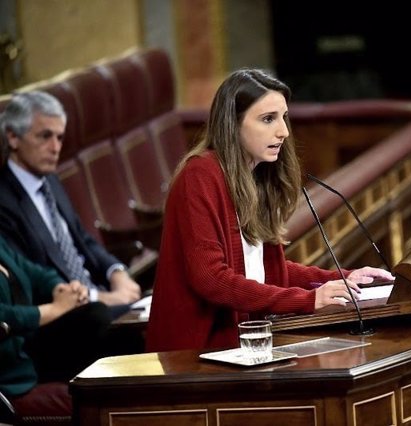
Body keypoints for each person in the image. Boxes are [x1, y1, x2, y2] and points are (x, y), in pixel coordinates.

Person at [146, 69, 394, 352]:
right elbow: (211, 278)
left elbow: (264, 270)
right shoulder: (200, 175)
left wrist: (341, 279)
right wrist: (307, 300)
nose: (283, 132)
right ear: (233, 124)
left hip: (246, 344)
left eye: (283, 117)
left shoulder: (256, 177)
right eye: (268, 119)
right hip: (196, 354)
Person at [0, 91, 141, 311]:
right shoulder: (4, 201)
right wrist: (101, 298)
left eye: (59, 137)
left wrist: (116, 272)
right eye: (45, 136)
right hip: (67, 317)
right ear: (13, 137)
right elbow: (30, 280)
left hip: (100, 296)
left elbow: (82, 239)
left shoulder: (50, 181)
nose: (55, 148)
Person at [0, 234, 112, 419]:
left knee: (100, 321)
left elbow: (36, 273)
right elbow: (5, 316)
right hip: (11, 374)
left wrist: (64, 290)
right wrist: (55, 308)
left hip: (28, 350)